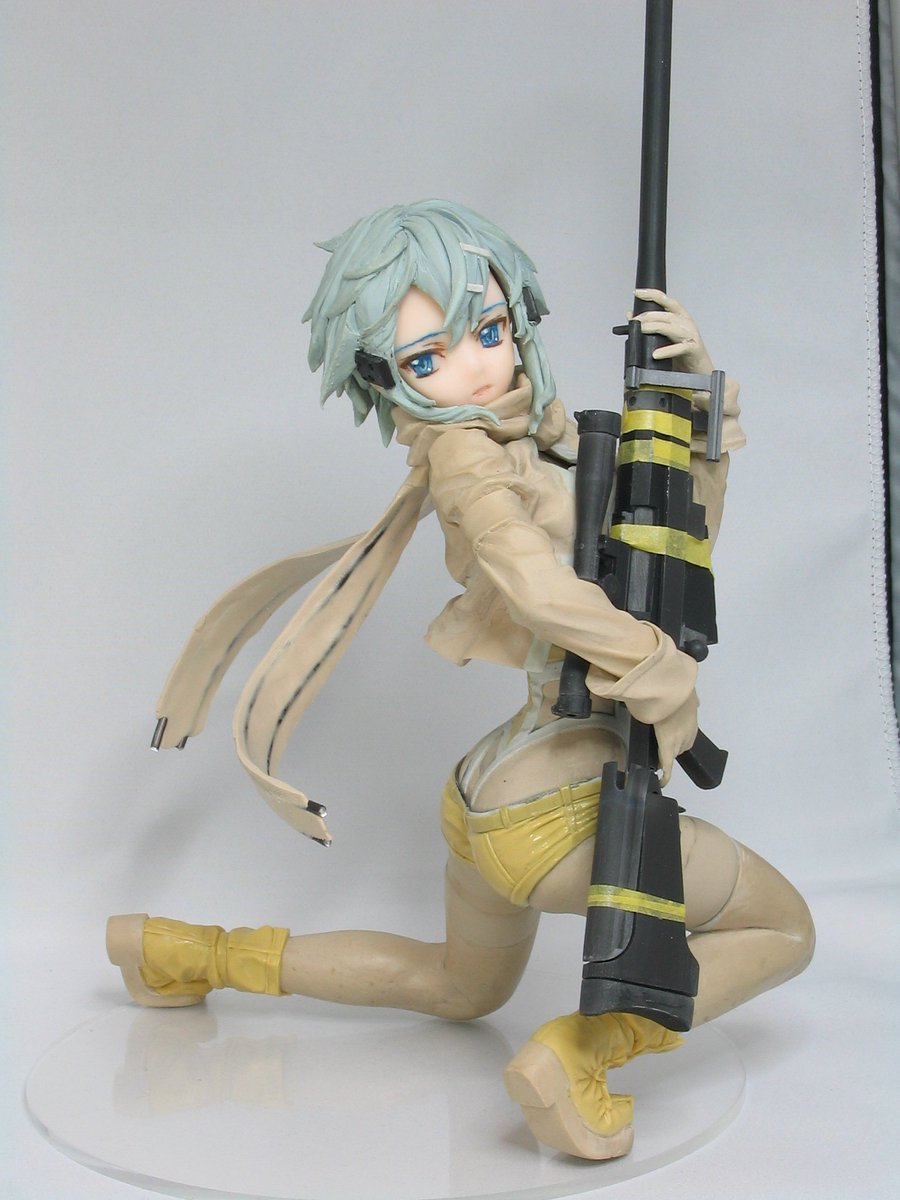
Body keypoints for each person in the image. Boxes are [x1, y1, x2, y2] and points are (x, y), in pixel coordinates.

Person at [107, 199, 814, 1160]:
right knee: (786, 930)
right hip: (560, 811)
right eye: (426, 359)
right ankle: (581, 1054)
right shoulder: (471, 462)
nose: (476, 369)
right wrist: (652, 664)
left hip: (487, 798)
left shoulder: (543, 442)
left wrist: (700, 409)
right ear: (383, 377)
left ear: (519, 317)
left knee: (458, 986)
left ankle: (183, 955)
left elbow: (674, 560)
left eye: (487, 331)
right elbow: (535, 586)